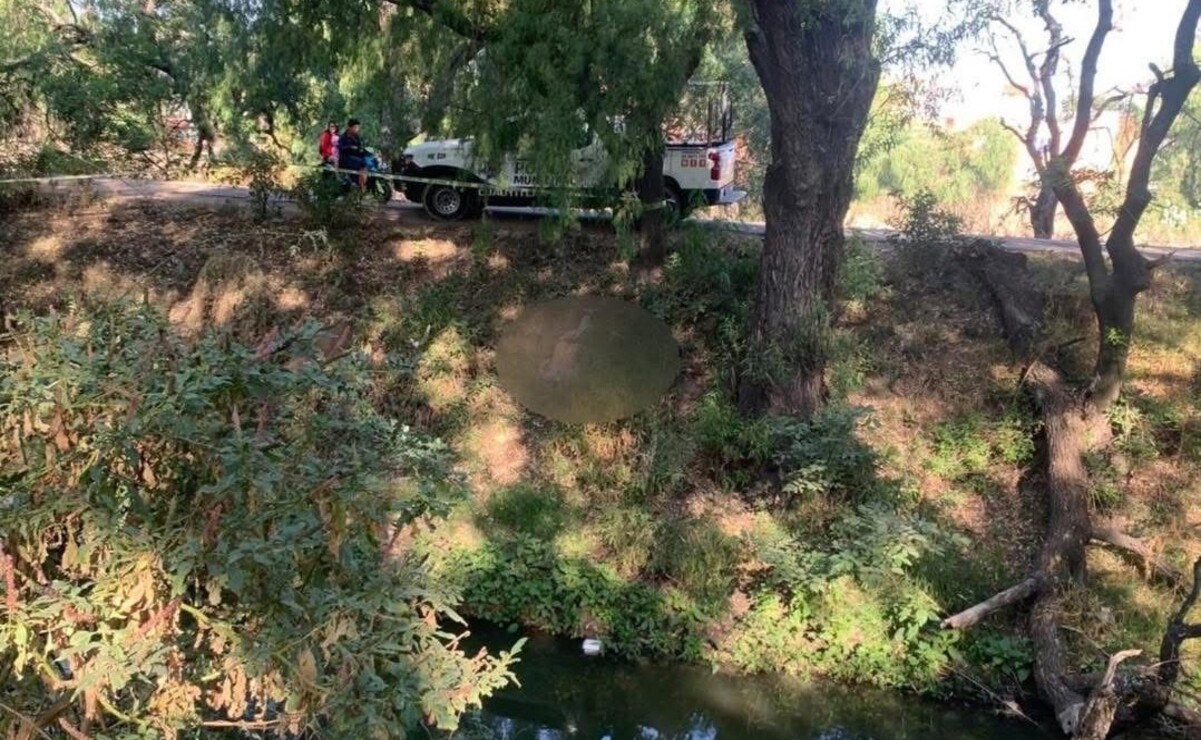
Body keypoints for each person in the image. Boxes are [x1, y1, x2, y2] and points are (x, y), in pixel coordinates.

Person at [337, 118, 368, 189]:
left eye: (358, 127)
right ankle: (361, 185)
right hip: (345, 158)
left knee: (365, 161)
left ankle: (361, 184)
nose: (357, 129)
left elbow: (359, 147)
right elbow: (340, 148)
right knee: (362, 163)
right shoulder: (343, 137)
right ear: (349, 127)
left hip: (355, 157)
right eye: (355, 127)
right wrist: (350, 147)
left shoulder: (356, 137)